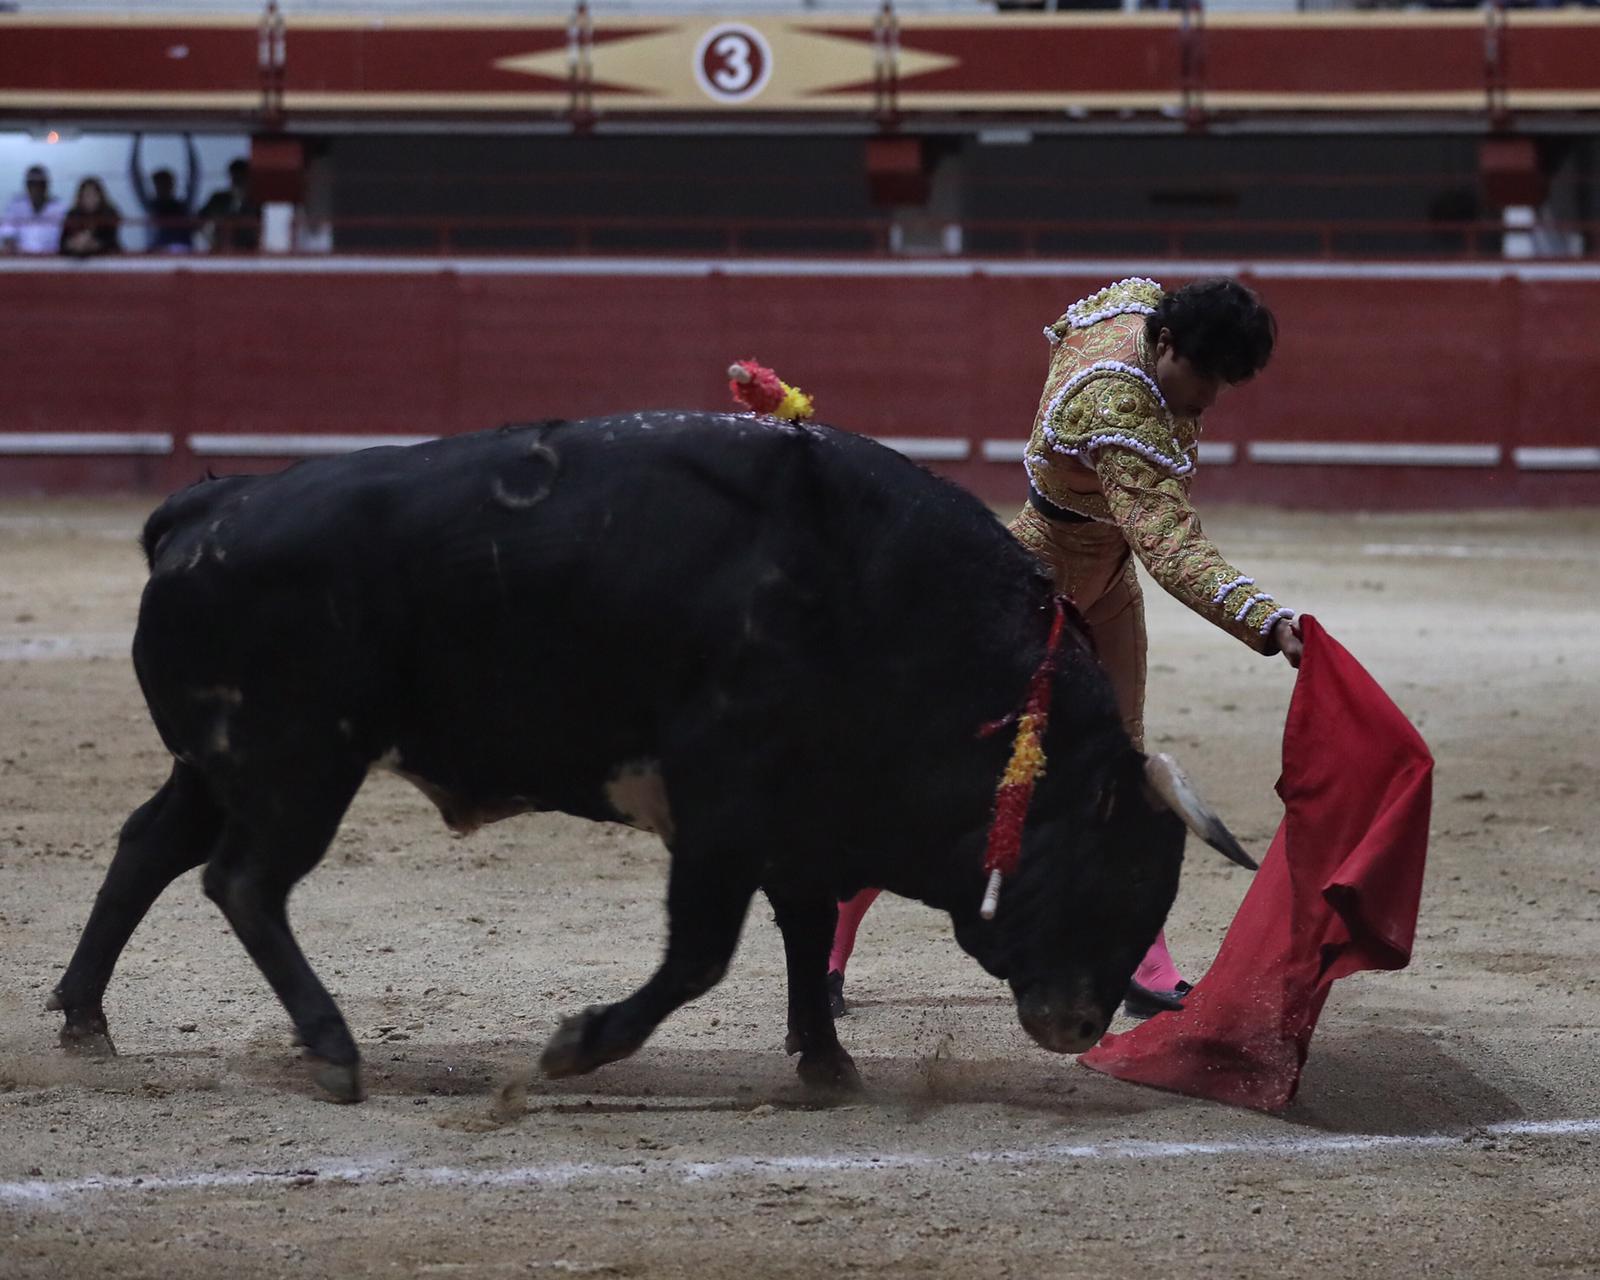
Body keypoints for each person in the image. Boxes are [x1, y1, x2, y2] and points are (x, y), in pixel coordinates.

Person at [826, 276, 1302, 1022]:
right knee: (944, 776)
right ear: (1167, 345)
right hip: (1031, 591)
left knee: (1123, 773)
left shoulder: (1138, 308)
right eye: (1203, 376)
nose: (1209, 397)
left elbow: (1065, 330)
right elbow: (1170, 548)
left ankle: (1144, 959)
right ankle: (829, 945)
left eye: (1223, 381)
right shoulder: (1117, 407)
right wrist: (1266, 620)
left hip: (1104, 586)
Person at [130, 133, 199, 252]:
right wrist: (137, 141)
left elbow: (194, 178)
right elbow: (136, 179)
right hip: (157, 255)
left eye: (166, 182)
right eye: (159, 183)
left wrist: (188, 142)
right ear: (154, 185)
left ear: (172, 184)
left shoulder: (183, 207)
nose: (163, 186)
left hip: (184, 252)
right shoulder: (151, 207)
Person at [0, 165, 67, 255]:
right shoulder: (15, 206)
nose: (36, 188)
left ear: (46, 186)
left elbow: (66, 237)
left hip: (52, 259)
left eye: (40, 184)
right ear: (27, 186)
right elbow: (7, 234)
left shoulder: (59, 207)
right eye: (32, 184)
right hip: (21, 259)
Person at [199, 158, 259, 252]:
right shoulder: (217, 198)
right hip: (220, 247)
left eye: (241, 177)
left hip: (249, 249)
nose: (237, 181)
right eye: (235, 176)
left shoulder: (257, 201)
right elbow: (199, 220)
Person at [58, 177, 122, 257]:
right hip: (75, 264)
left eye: (93, 195)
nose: (90, 199)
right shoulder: (72, 215)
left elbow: (110, 241)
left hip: (107, 262)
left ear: (100, 196)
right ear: (80, 198)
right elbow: (63, 243)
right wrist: (73, 243)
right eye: (86, 195)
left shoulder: (109, 214)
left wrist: (90, 243)